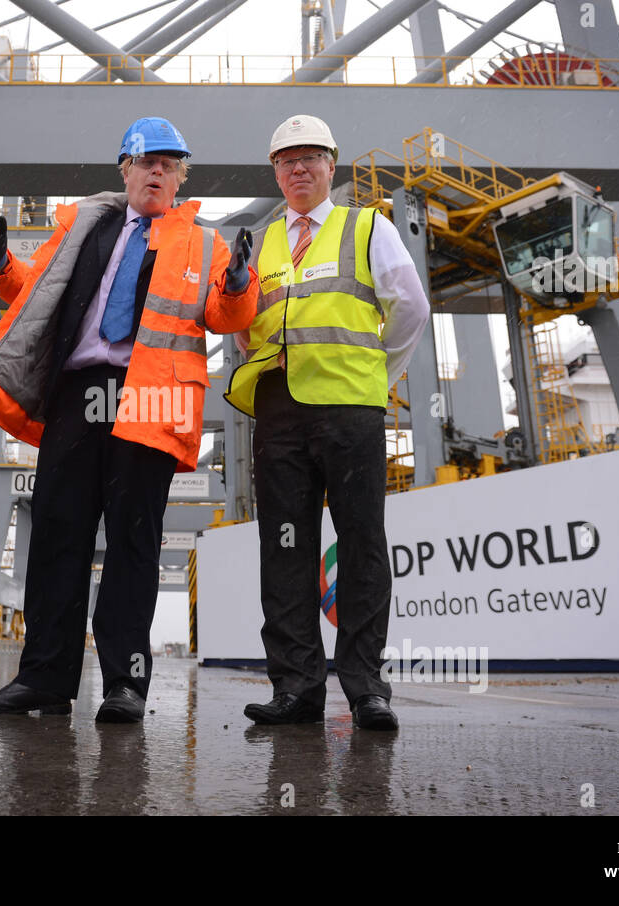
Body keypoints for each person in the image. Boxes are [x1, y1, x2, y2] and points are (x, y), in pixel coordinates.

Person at [0, 116, 259, 722]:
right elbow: (31, 291)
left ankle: (126, 685)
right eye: (147, 162)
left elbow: (227, 317)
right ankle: (44, 677)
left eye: (169, 165)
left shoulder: (204, 242)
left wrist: (237, 281)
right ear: (124, 170)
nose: (157, 172)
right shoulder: (84, 227)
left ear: (180, 177)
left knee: (132, 542)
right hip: (80, 391)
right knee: (57, 536)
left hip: (151, 398)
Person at [228, 115, 430, 730]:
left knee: (362, 545)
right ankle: (296, 689)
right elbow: (240, 321)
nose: (298, 169)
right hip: (280, 412)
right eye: (286, 160)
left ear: (331, 166)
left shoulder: (367, 226)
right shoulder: (259, 242)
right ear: (275, 171)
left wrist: (374, 374)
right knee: (284, 550)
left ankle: (366, 688)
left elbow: (410, 308)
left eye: (310, 157)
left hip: (350, 411)